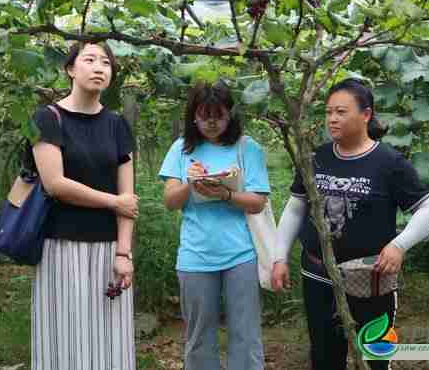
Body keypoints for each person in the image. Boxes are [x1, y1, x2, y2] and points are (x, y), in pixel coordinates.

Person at [272, 78, 429, 370]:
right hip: (317, 273)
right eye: (328, 112)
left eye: (341, 112)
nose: (332, 119)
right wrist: (278, 257)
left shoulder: (389, 162)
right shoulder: (317, 158)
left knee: (375, 356)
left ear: (365, 114)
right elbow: (295, 207)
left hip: (369, 277)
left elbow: (427, 210)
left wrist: (398, 246)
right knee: (324, 355)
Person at [25, 41, 139, 370]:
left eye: (106, 62)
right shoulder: (43, 119)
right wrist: (114, 201)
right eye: (89, 59)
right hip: (59, 247)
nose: (99, 67)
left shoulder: (118, 124)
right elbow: (55, 183)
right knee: (62, 339)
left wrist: (123, 252)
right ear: (71, 69)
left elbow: (128, 197)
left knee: (110, 341)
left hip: (108, 249)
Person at [158, 80, 270, 370]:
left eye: (218, 116)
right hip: (195, 255)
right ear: (193, 116)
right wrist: (190, 184)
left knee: (246, 334)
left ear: (230, 114)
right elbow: (170, 200)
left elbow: (258, 201)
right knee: (198, 337)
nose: (210, 123)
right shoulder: (181, 149)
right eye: (203, 116)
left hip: (241, 254)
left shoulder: (248, 148)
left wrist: (227, 194)